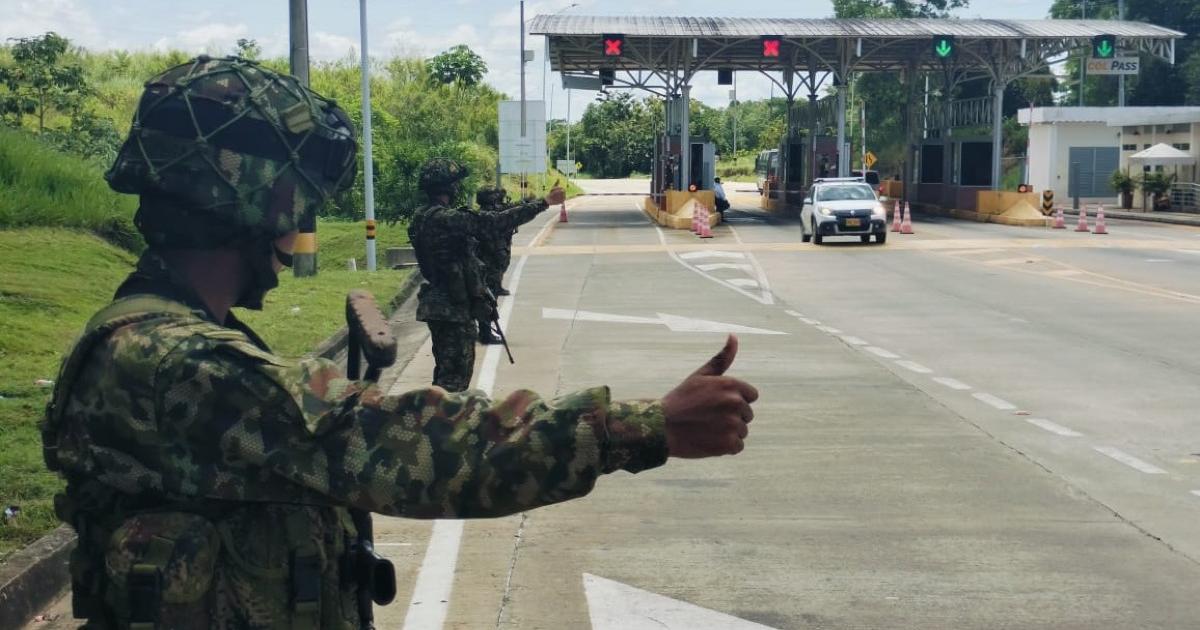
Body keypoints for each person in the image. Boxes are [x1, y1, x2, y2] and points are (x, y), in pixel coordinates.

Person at [40, 56, 758, 628]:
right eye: (298, 206)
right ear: (250, 201)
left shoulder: (171, 338)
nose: (299, 234)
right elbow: (404, 446)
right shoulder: (175, 364)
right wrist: (643, 427)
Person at [409, 164, 551, 383]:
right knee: (454, 381)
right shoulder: (446, 219)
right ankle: (445, 416)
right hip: (452, 309)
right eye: (454, 184)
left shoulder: (422, 216)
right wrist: (543, 203)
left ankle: (441, 412)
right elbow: (493, 223)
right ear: (447, 187)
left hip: (440, 303)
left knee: (447, 373)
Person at [472, 186, 528, 344]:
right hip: (489, 264)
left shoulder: (480, 215)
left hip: (486, 263)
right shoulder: (490, 217)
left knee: (485, 296)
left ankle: (484, 330)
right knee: (488, 298)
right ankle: (485, 332)